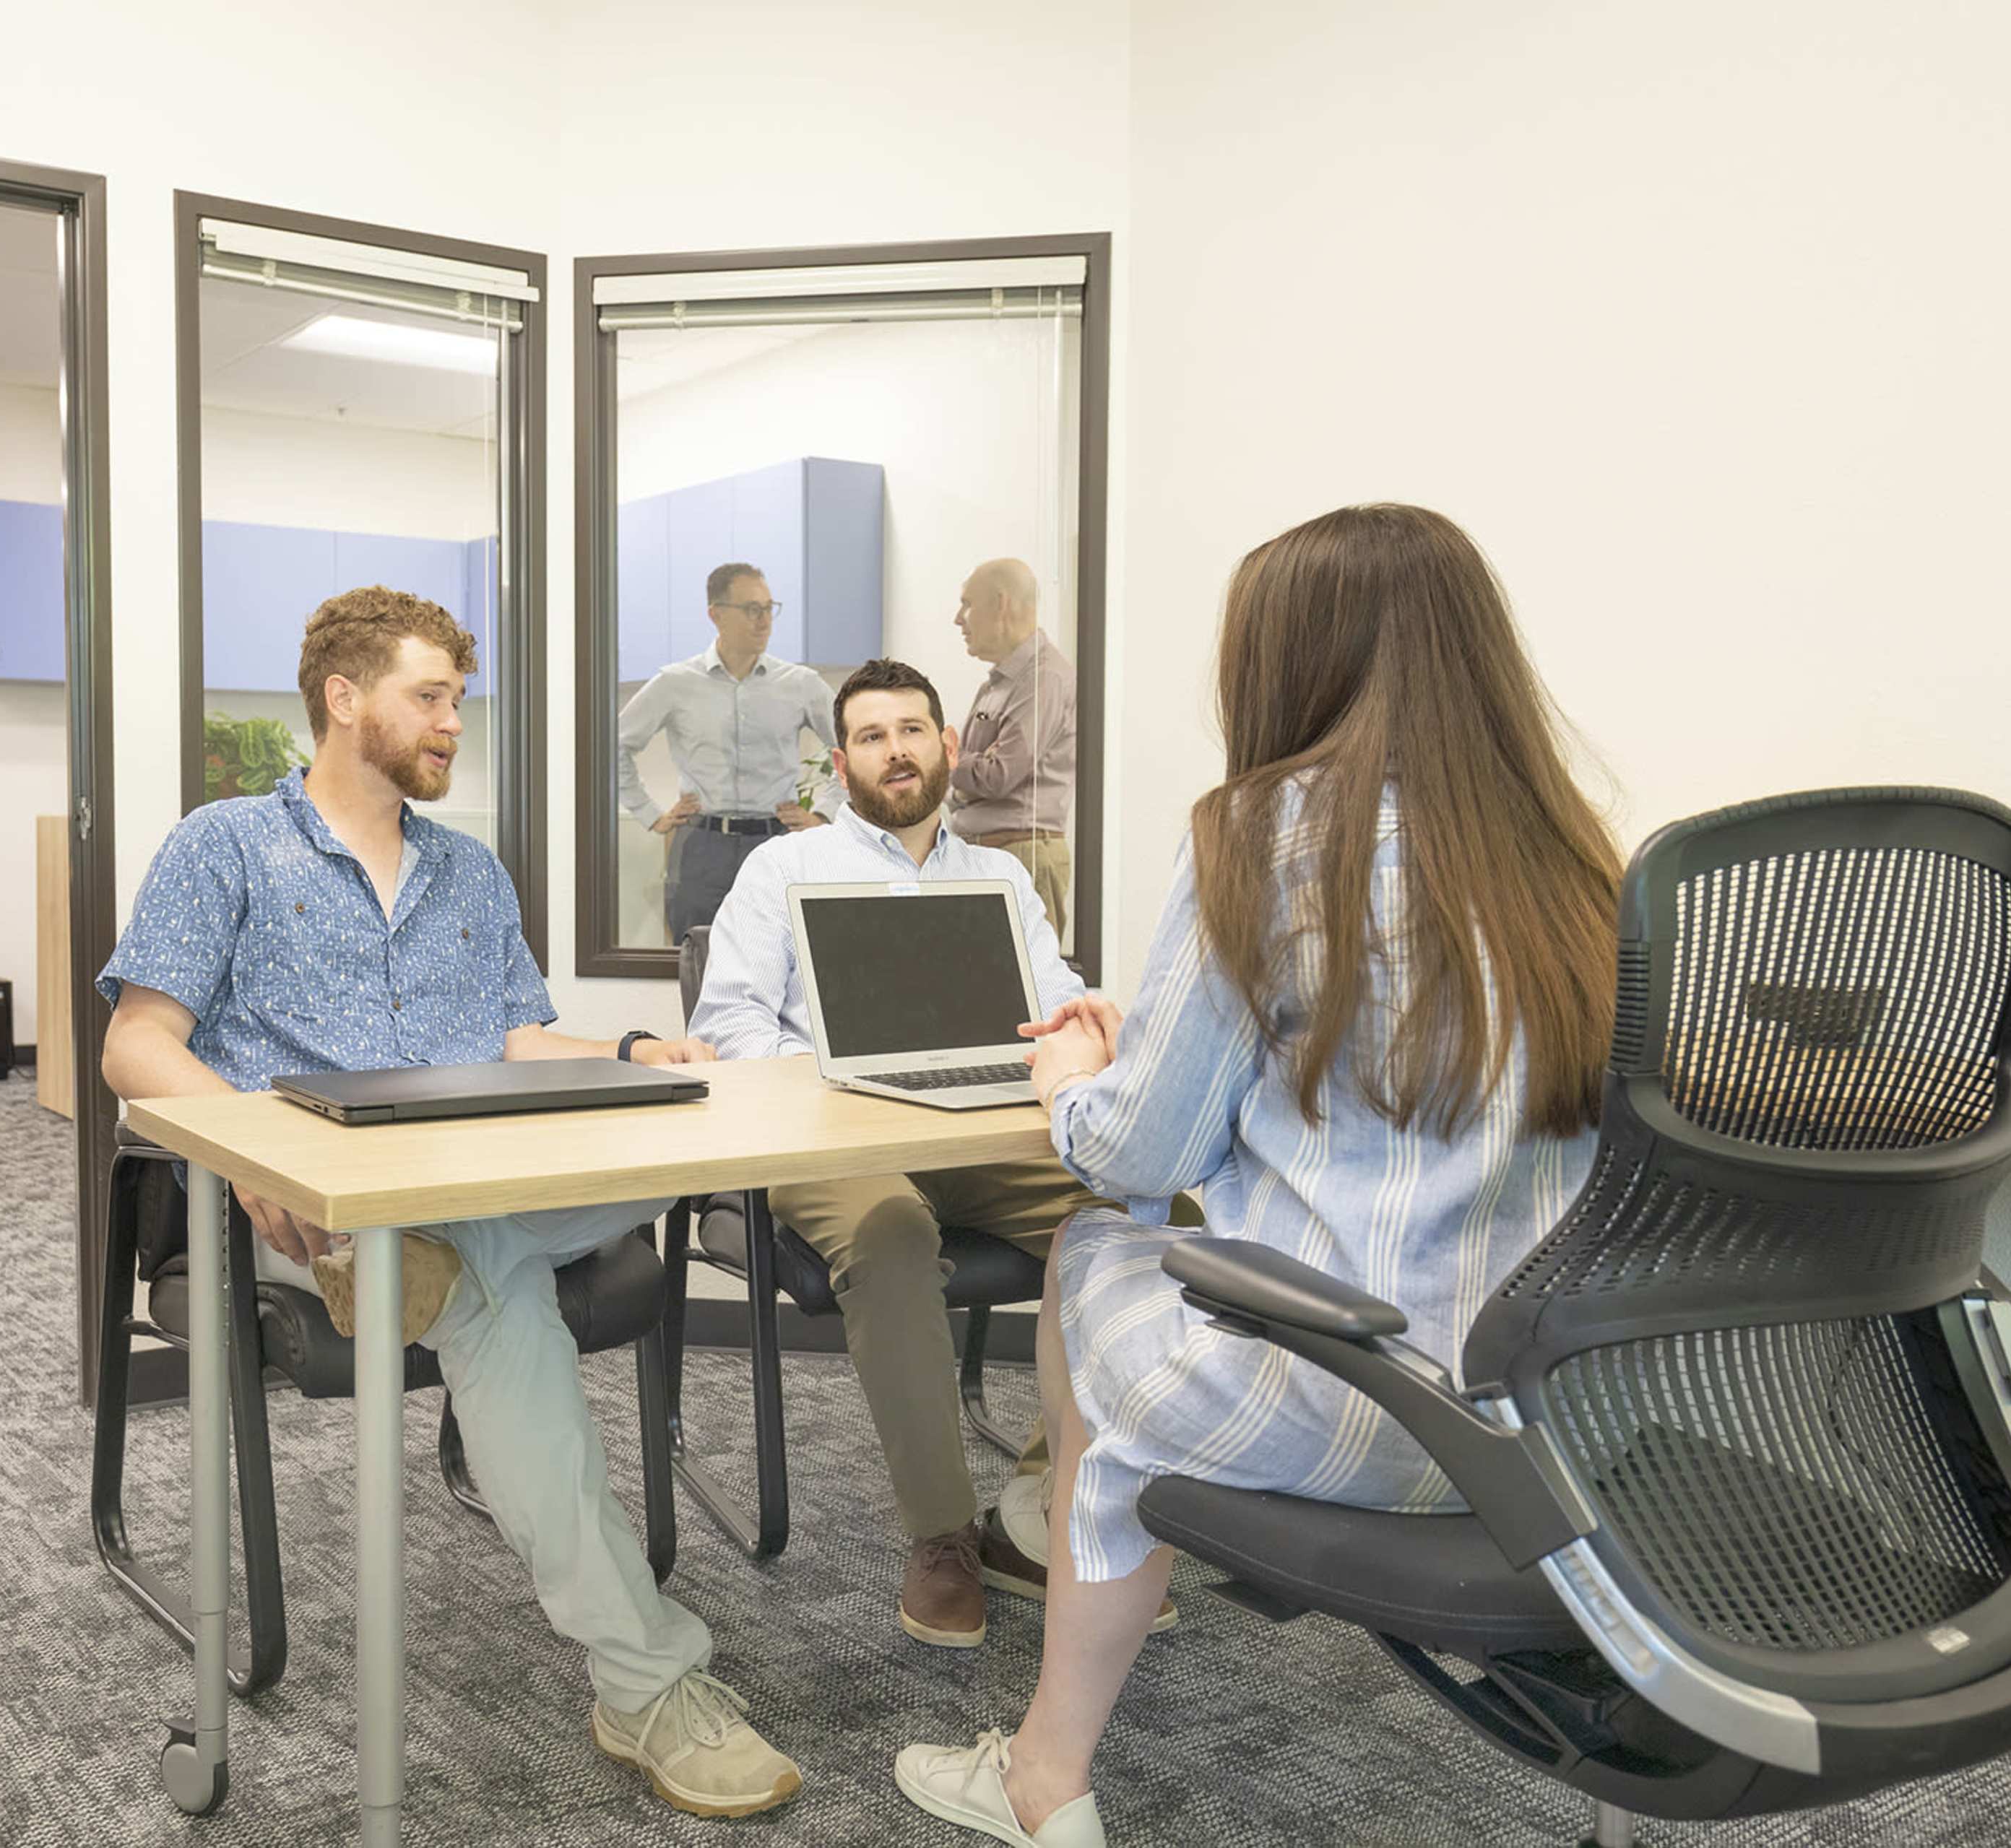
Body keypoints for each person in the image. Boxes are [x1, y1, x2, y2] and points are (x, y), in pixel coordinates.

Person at [893, 505, 1624, 1847]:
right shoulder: (1569, 852)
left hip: (1336, 1412)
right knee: (1141, 1282)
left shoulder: (1268, 828)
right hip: (1548, 1431)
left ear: (1291, 660)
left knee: (1090, 1250)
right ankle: (1092, 1529)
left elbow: (1139, 1155)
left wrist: (1075, 1076)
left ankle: (1048, 1757)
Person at [99, 586, 804, 1821]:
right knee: (484, 1280)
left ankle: (451, 1246)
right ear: (343, 697)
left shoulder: (468, 871)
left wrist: (632, 1051)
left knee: (690, 1147)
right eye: (429, 697)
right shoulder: (224, 845)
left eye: (457, 702)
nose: (450, 723)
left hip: (483, 1183)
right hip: (312, 1212)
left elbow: (518, 1037)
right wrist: (255, 1152)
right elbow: (137, 1043)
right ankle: (646, 1678)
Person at [691, 656, 1190, 1655]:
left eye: (913, 729)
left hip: (982, 1124)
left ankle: (1044, 1502)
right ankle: (945, 1533)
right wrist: (835, 1072)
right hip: (830, 1134)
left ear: (948, 745)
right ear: (841, 761)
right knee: (891, 1231)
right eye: (872, 736)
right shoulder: (783, 870)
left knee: (1149, 1211)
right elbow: (728, 1020)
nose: (897, 749)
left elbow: (1052, 1007)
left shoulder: (998, 875)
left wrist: (1086, 1028)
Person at [615, 560, 836, 942]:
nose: (764, 620)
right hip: (702, 848)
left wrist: (823, 815)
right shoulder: (675, 683)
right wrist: (652, 816)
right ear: (716, 615)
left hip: (776, 841)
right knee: (697, 967)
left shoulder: (801, 685)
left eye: (769, 608)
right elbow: (612, 749)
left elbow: (853, 753)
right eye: (752, 609)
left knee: (784, 968)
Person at [946, 558, 1076, 944]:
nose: (958, 619)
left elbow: (999, 775)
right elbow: (979, 773)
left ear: (1001, 604)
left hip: (1022, 859)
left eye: (967, 604)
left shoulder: (1044, 678)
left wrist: (948, 757)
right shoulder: (1001, 682)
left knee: (1026, 995)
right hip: (987, 857)